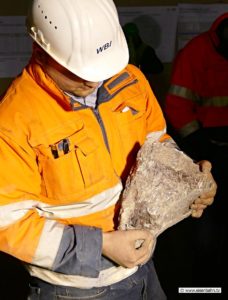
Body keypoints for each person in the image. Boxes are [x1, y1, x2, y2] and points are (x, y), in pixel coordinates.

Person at [0, 1, 216, 299]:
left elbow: (158, 145)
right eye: (78, 71)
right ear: (41, 50)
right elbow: (8, 225)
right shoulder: (14, 121)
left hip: (144, 270)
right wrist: (101, 246)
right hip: (76, 289)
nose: (93, 81)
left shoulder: (131, 81)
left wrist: (188, 180)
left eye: (100, 68)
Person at [165, 12, 228, 295]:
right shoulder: (195, 53)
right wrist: (200, 143)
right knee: (206, 229)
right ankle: (204, 289)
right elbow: (177, 105)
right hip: (205, 151)